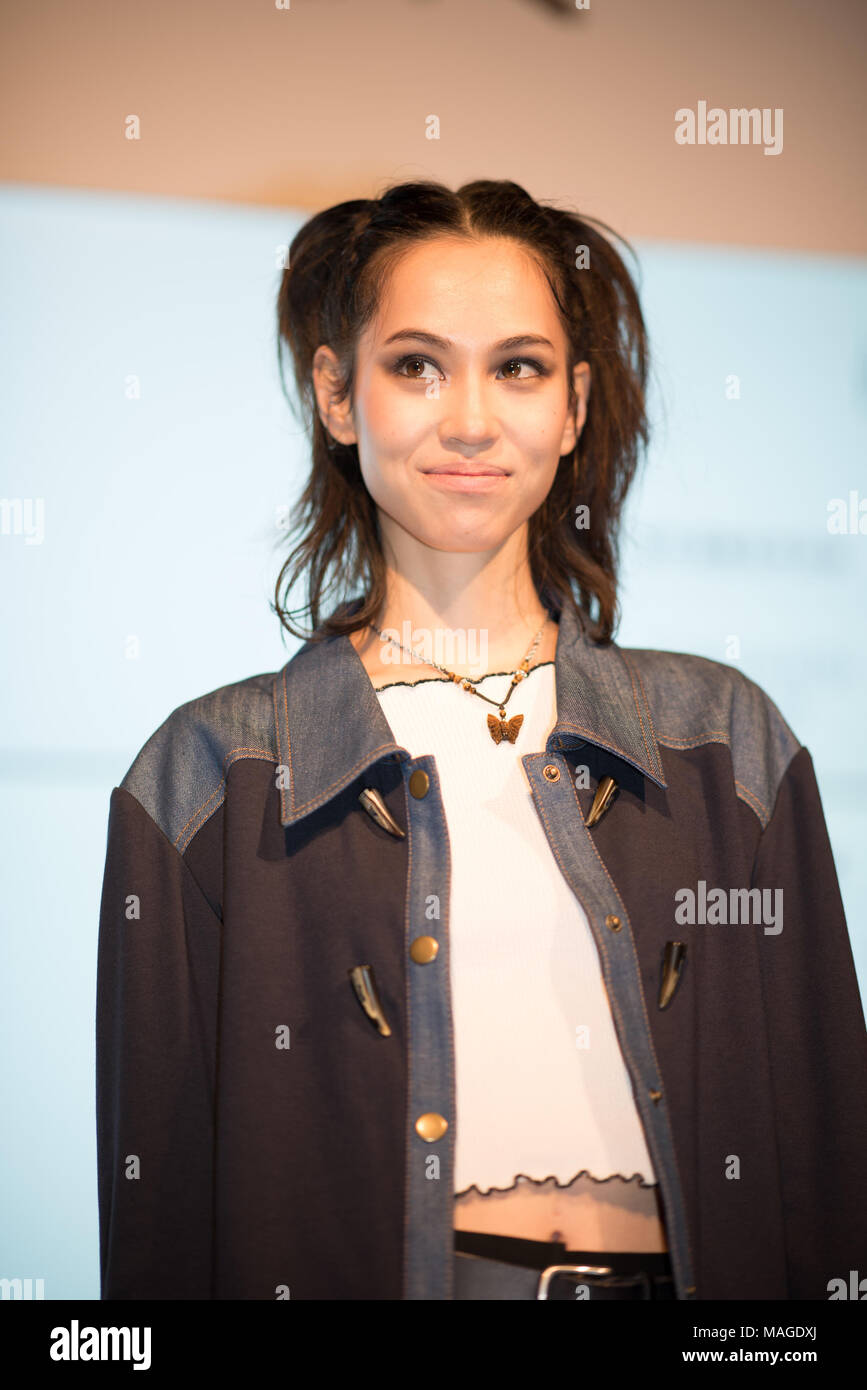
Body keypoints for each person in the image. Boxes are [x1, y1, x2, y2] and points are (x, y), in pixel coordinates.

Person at [96, 178, 867, 1301]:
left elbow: (831, 1157)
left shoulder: (725, 742)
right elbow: (159, 1223)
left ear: (573, 404)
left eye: (519, 366)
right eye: (416, 364)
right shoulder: (210, 776)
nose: (468, 418)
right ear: (337, 393)